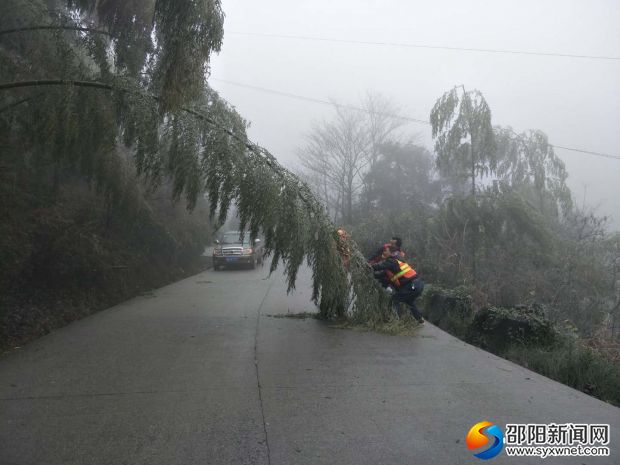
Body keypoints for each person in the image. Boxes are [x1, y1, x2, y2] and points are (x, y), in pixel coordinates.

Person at [372, 245, 425, 323]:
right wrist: (369, 273)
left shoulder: (392, 260)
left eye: (385, 251)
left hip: (412, 285)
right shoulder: (391, 267)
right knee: (409, 301)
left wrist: (368, 266)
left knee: (395, 300)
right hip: (417, 285)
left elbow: (379, 266)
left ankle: (397, 321)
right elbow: (380, 275)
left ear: (391, 252)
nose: (383, 252)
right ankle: (419, 318)